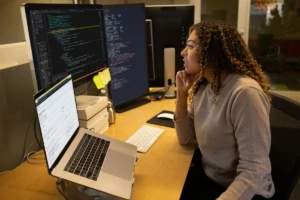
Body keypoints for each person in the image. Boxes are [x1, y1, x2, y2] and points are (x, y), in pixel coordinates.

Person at [174, 21, 275, 200]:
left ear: (211, 53)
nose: (183, 52)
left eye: (190, 46)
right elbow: (186, 138)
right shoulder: (206, 87)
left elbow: (254, 171)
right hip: (212, 180)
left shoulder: (245, 94)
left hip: (244, 191)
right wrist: (181, 96)